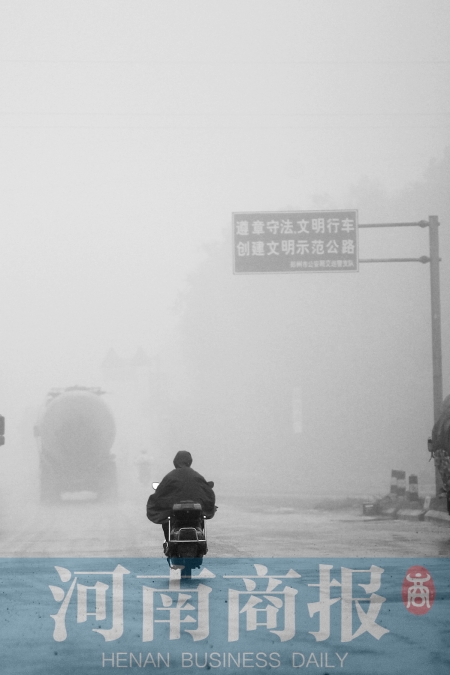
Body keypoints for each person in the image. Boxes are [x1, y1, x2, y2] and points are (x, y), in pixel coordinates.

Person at [146, 450, 216, 541]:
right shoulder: (196, 476)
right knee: (201, 517)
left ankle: (168, 541)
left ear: (175, 461)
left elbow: (160, 493)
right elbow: (208, 492)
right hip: (195, 514)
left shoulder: (170, 476)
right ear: (190, 461)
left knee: (167, 520)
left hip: (175, 514)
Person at [430, 394, 450, 515]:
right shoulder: (443, 422)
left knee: (447, 482)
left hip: (441, 457)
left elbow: (433, 440)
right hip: (444, 456)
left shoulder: (440, 422)